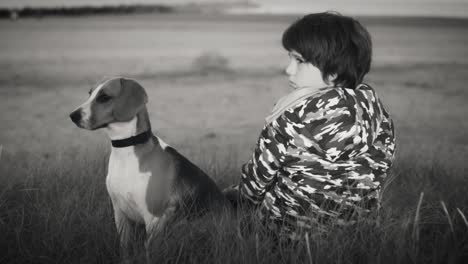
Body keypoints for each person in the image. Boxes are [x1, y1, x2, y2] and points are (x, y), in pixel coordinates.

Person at [224, 12, 396, 239]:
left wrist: (236, 198)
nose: (288, 69)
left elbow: (257, 182)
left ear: (333, 72)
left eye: (299, 61)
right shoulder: (379, 115)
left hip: (286, 233)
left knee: (228, 201)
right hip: (357, 232)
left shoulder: (292, 115)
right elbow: (378, 172)